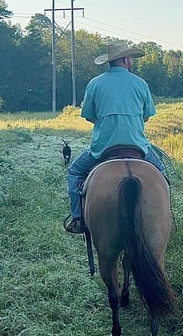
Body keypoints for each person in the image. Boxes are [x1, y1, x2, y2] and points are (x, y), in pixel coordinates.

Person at [64, 40, 167, 234]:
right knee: (162, 175)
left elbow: (89, 116)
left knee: (74, 173)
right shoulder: (141, 84)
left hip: (102, 148)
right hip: (138, 147)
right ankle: (165, 215)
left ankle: (77, 219)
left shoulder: (94, 84)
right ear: (126, 59)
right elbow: (146, 116)